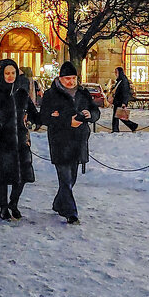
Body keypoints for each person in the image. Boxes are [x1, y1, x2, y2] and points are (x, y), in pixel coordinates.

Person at [0, 59, 40, 221]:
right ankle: (3, 207)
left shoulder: (21, 93)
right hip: (1, 141)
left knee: (21, 176)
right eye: (7, 73)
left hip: (20, 140)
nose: (10, 76)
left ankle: (14, 203)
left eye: (13, 73)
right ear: (1, 74)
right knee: (2, 176)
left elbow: (33, 112)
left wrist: (37, 120)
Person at [41, 61, 100, 225]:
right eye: (67, 78)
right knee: (65, 178)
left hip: (79, 141)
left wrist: (90, 115)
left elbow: (96, 112)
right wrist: (67, 121)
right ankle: (71, 213)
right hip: (60, 142)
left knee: (72, 178)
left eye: (73, 78)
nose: (71, 82)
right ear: (60, 79)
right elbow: (44, 117)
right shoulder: (51, 94)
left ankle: (58, 203)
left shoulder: (83, 93)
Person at [109, 67, 139, 132]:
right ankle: (116, 129)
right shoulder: (120, 80)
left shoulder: (123, 81)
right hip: (118, 101)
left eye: (116, 72)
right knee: (117, 116)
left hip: (120, 101)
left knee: (118, 116)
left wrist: (124, 103)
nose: (115, 74)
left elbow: (125, 93)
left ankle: (132, 126)